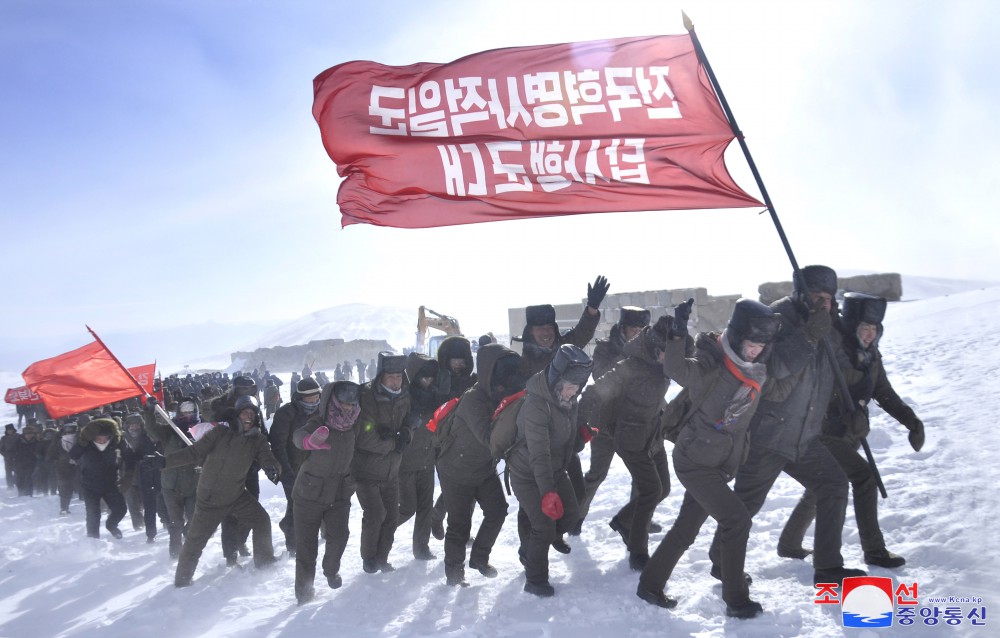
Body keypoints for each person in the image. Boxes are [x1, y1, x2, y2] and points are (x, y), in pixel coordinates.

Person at [705, 266, 867, 587]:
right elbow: (775, 368)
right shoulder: (775, 318)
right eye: (817, 297)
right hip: (768, 432)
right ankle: (721, 562)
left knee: (834, 485)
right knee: (746, 503)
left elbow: (829, 374)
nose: (824, 303)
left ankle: (828, 566)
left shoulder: (829, 324)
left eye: (829, 298)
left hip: (805, 434)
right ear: (800, 294)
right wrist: (808, 334)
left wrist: (852, 407)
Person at [637, 299, 786, 618]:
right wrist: (677, 334)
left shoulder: (758, 371)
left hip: (718, 463)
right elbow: (676, 369)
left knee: (686, 529)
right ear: (735, 337)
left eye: (760, 345)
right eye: (749, 344)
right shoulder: (712, 363)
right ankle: (736, 600)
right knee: (736, 520)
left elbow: (779, 391)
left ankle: (649, 584)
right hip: (694, 460)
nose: (753, 351)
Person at [777, 292, 925, 569]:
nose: (869, 335)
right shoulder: (830, 348)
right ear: (852, 325)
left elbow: (883, 391)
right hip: (817, 433)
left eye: (874, 329)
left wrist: (911, 420)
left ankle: (789, 544)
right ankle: (874, 549)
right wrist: (844, 408)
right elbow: (811, 387)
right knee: (863, 477)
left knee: (821, 488)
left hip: (849, 433)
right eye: (863, 328)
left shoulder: (871, 356)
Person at [578, 315, 673, 571]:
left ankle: (623, 520)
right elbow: (593, 393)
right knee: (650, 490)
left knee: (663, 489)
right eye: (666, 352)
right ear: (655, 348)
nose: (670, 358)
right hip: (630, 437)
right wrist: (580, 427)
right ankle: (637, 550)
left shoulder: (666, 362)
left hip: (653, 434)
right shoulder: (631, 366)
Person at [168, 395, 281, 587]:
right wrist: (164, 462)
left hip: (236, 494)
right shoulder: (220, 432)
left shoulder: (257, 440)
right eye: (244, 412)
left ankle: (265, 563)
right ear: (236, 415)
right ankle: (182, 582)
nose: (248, 416)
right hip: (209, 499)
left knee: (261, 520)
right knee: (196, 541)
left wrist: (272, 467)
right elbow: (194, 453)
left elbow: (267, 457)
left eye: (252, 414)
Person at [436, 343, 525, 586]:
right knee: (459, 525)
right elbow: (490, 440)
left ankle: (479, 558)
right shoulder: (473, 400)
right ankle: (454, 575)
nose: (507, 382)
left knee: (497, 511)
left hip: (483, 469)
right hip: (456, 471)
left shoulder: (503, 397)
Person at [509, 344, 593, 597]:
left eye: (578, 386)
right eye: (570, 386)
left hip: (555, 469)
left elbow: (564, 442)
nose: (574, 391)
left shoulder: (568, 398)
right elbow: (540, 454)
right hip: (527, 473)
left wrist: (581, 438)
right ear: (557, 380)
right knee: (544, 525)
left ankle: (536, 546)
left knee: (571, 515)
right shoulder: (536, 405)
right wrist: (547, 493)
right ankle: (534, 579)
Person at [573, 306, 652, 535]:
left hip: (635, 422)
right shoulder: (605, 348)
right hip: (606, 423)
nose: (636, 333)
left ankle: (638, 519)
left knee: (641, 476)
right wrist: (629, 355)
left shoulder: (648, 349)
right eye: (632, 328)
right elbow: (601, 378)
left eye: (641, 329)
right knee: (597, 474)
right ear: (623, 328)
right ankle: (575, 517)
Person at [291, 381, 362, 605]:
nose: (349, 408)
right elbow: (298, 436)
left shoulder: (355, 425)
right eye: (344, 403)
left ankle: (330, 570)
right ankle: (304, 595)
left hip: (340, 493)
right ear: (332, 400)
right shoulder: (318, 422)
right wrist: (308, 441)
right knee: (306, 548)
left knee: (340, 536)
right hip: (308, 494)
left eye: (352, 403)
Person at [353, 351, 411, 574]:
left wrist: (406, 434)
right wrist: (391, 445)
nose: (396, 382)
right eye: (391, 377)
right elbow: (364, 435)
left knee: (392, 516)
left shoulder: (404, 395)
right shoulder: (367, 396)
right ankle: (368, 558)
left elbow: (409, 424)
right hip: (366, 471)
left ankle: (382, 558)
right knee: (376, 514)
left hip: (391, 470)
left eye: (399, 376)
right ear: (381, 376)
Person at [398, 353, 447, 561]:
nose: (428, 381)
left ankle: (421, 548)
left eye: (431, 377)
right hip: (405, 464)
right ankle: (378, 538)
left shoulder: (435, 396)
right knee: (407, 508)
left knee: (425, 508)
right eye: (423, 377)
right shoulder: (403, 398)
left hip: (427, 461)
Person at [269, 377, 323, 556]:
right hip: (291, 468)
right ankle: (292, 544)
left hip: (314, 467)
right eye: (309, 399)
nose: (314, 402)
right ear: (300, 398)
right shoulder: (286, 413)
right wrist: (286, 472)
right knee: (295, 505)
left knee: (318, 501)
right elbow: (278, 445)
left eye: (316, 398)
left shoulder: (320, 411)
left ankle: (319, 532)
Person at [144, 395, 200, 558]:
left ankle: (190, 552)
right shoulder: (170, 429)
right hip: (171, 484)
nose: (187, 414)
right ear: (178, 412)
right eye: (184, 411)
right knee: (175, 522)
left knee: (194, 520)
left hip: (194, 484)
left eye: (190, 411)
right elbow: (152, 429)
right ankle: (175, 554)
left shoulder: (203, 429)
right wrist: (149, 411)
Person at [70, 417, 127, 539]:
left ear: (109, 437)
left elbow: (128, 454)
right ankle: (93, 539)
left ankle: (111, 525)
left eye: (104, 438)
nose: (101, 441)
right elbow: (74, 454)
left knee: (120, 509)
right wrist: (82, 442)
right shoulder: (86, 444)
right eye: (98, 438)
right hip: (90, 486)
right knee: (93, 515)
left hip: (111, 484)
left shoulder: (115, 444)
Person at [120, 413, 166, 543]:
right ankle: (139, 527)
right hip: (129, 475)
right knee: (133, 504)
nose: (134, 427)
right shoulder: (122, 439)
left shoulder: (148, 437)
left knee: (155, 504)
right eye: (131, 424)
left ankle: (161, 525)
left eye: (137, 424)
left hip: (149, 475)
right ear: (127, 426)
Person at [48, 422, 81, 515]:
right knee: (65, 488)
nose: (69, 433)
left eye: (71, 430)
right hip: (64, 467)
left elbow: (51, 454)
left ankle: (65, 507)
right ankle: (64, 507)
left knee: (68, 488)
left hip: (72, 467)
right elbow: (51, 453)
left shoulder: (80, 439)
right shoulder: (58, 440)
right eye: (68, 430)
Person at [12, 424, 43, 497]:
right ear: (24, 434)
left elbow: (41, 452)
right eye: (27, 434)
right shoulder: (18, 442)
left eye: (31, 434)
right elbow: (12, 452)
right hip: (19, 464)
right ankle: (21, 493)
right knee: (19, 479)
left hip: (32, 464)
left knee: (29, 479)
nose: (29, 435)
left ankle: (29, 494)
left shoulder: (37, 443)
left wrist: (38, 457)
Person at [1, 423, 18, 488]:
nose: (10, 431)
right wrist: (5, 455)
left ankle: (17, 483)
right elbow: (1, 449)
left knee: (17, 471)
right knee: (9, 472)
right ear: (6, 431)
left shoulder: (18, 436)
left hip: (17, 457)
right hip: (8, 458)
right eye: (8, 430)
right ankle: (10, 485)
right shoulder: (4, 438)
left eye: (11, 430)